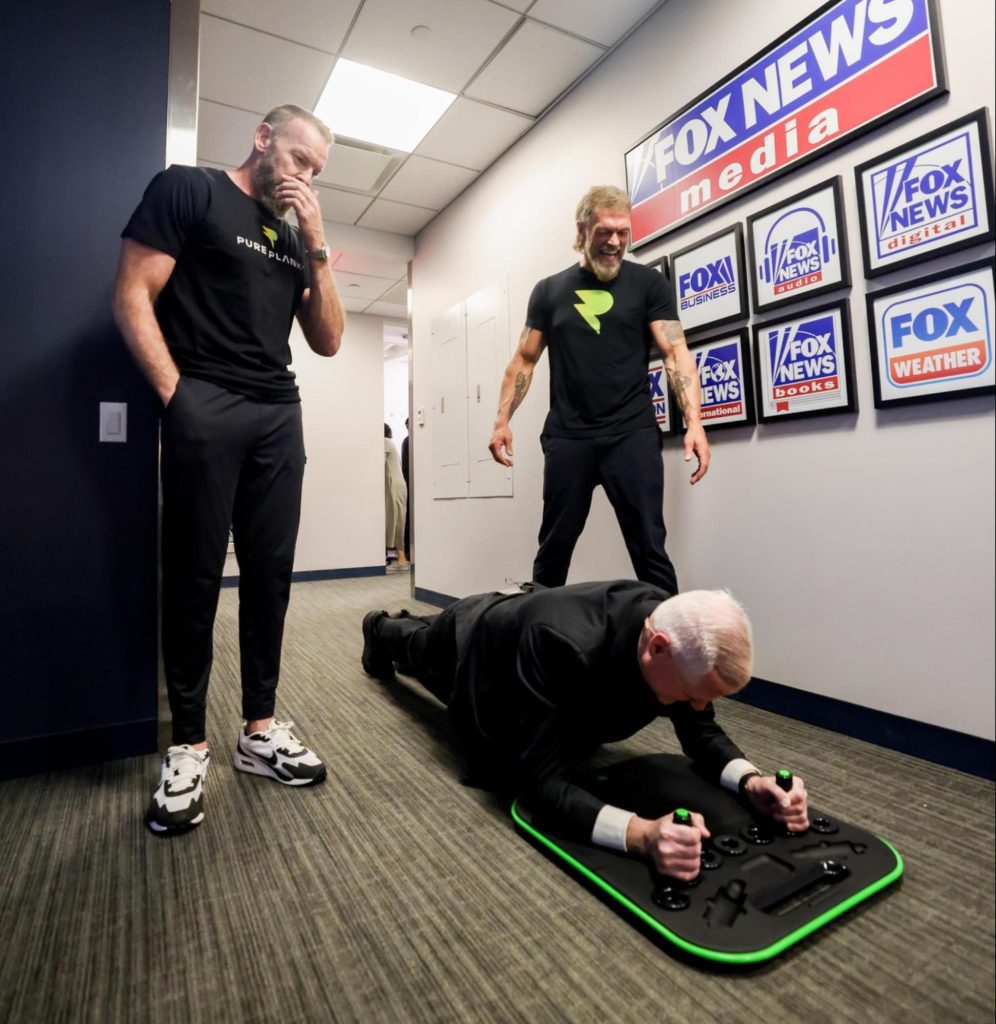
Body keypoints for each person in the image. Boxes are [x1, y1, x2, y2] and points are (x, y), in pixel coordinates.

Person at [113, 103, 345, 835]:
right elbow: (132, 295)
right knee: (193, 577)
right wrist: (178, 398)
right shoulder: (190, 189)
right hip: (203, 399)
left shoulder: (293, 237)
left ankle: (259, 731)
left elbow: (328, 339)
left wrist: (316, 243)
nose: (305, 178)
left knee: (270, 576)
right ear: (262, 138)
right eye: (300, 159)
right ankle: (187, 745)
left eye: (317, 171)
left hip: (278, 411)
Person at [361, 582, 808, 880]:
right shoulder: (559, 645)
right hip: (476, 648)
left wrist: (752, 781)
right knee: (416, 647)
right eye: (693, 695)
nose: (698, 707)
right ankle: (379, 625)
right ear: (657, 648)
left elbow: (700, 731)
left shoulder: (673, 629)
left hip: (534, 629)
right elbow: (540, 782)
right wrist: (641, 835)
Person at [488, 185, 710, 595]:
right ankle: (539, 632)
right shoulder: (549, 291)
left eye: (623, 232)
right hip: (568, 436)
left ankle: (668, 634)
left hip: (631, 434)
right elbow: (524, 359)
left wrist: (695, 423)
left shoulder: (648, 284)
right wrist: (502, 420)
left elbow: (675, 353)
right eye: (605, 231)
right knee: (553, 549)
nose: (615, 242)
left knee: (650, 548)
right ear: (582, 229)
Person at [384, 423, 408, 569]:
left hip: (394, 487)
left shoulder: (385, 442)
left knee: (396, 521)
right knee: (392, 521)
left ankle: (402, 560)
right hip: (393, 486)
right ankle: (394, 557)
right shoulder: (388, 443)